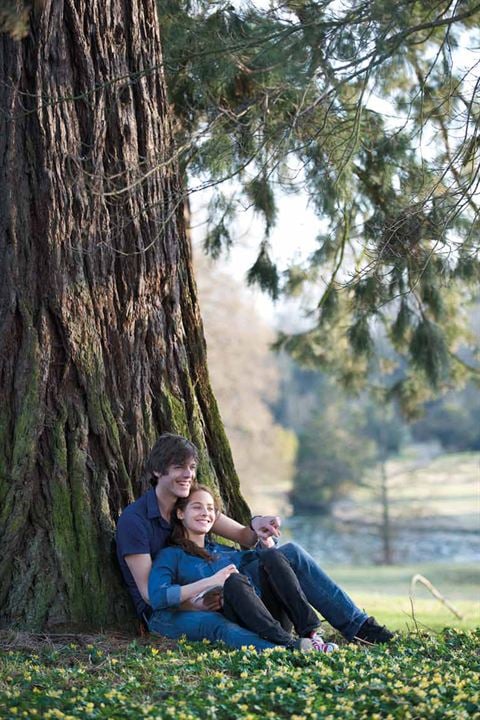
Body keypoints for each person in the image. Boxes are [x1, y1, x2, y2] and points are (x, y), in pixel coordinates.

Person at [116, 433, 394, 649]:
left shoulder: (189, 504)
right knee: (221, 614)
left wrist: (258, 523)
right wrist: (198, 601)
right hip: (174, 607)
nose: (188, 475)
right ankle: (288, 647)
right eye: (179, 467)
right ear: (157, 472)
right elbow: (151, 596)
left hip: (216, 586)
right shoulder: (135, 521)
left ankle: (358, 627)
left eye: (191, 468)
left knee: (289, 553)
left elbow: (244, 536)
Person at [148, 485, 338, 652]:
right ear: (181, 513)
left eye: (210, 509)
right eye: (197, 507)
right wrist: (212, 582)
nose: (205, 513)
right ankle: (290, 644)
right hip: (241, 622)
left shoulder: (224, 551)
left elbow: (271, 564)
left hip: (269, 616)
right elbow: (158, 597)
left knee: (271, 554)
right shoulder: (171, 555)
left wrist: (266, 542)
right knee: (234, 580)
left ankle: (312, 633)